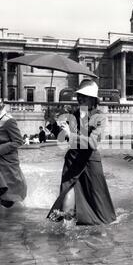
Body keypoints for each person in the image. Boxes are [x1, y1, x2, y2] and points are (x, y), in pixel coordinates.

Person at [47, 79, 116, 225]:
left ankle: (94, 222)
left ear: (93, 100)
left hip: (90, 162)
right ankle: (67, 230)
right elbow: (63, 138)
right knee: (67, 192)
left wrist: (70, 134)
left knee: (97, 202)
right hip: (73, 160)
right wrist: (53, 123)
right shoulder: (75, 114)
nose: (80, 99)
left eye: (84, 97)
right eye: (79, 96)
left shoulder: (101, 118)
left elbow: (92, 142)